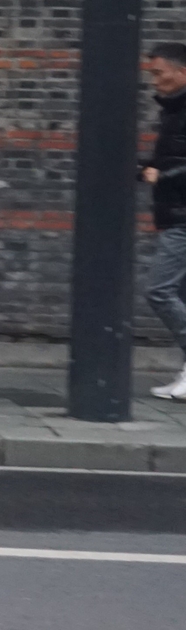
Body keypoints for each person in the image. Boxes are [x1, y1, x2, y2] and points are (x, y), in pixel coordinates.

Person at [140, 43, 186, 400]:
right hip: (176, 212)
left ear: (181, 72)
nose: (153, 80)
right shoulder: (173, 110)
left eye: (158, 73)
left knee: (159, 290)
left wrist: (162, 175)